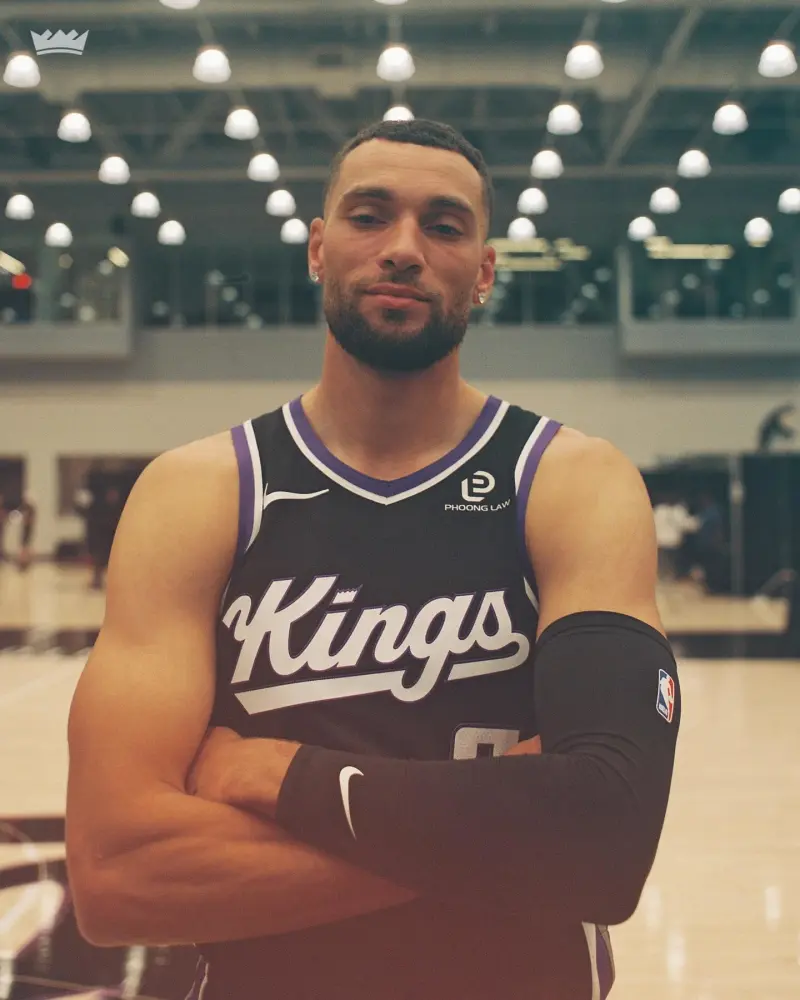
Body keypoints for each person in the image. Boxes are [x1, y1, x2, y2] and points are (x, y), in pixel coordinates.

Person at [66, 119, 680, 1000]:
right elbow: (118, 877)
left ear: (485, 271)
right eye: (369, 215)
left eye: (444, 225)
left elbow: (604, 841)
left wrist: (283, 778)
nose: (403, 248)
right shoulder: (199, 494)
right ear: (319, 248)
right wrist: (510, 829)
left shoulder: (569, 483)